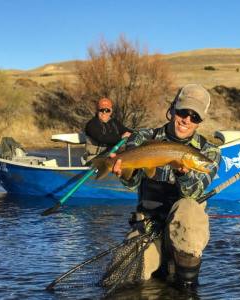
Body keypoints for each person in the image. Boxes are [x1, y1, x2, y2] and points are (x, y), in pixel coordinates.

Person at [110, 84, 221, 289]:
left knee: (188, 208)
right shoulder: (143, 137)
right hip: (147, 228)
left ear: (200, 122)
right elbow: (132, 183)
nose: (186, 120)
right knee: (121, 277)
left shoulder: (209, 153)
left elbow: (194, 193)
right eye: (183, 112)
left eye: (194, 117)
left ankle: (187, 289)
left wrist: (182, 174)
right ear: (172, 110)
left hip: (183, 234)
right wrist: (123, 171)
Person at [83, 97, 131, 163]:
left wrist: (133, 134)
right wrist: (121, 137)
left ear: (111, 111)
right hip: (95, 158)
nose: (104, 113)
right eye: (101, 110)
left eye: (107, 110)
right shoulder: (92, 124)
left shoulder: (114, 122)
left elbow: (126, 131)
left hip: (111, 156)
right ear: (97, 111)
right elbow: (103, 138)